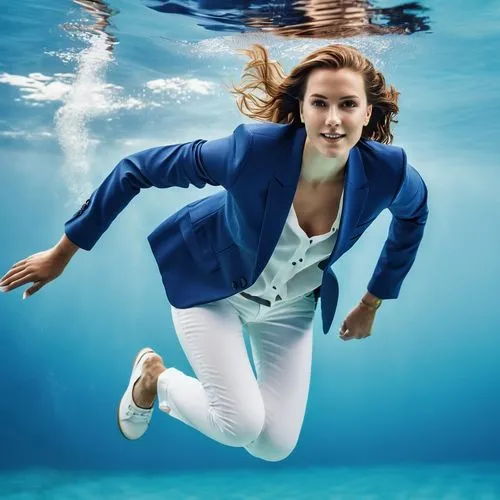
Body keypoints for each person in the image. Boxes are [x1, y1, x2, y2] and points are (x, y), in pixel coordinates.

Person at [0, 43, 428, 462]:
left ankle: (159, 379)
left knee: (275, 446)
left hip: (292, 305)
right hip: (213, 288)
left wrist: (372, 301)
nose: (333, 119)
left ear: (367, 112)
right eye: (320, 103)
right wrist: (63, 252)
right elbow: (138, 169)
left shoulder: (388, 172)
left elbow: (414, 215)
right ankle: (155, 377)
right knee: (239, 425)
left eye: (348, 104)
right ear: (301, 108)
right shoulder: (251, 153)